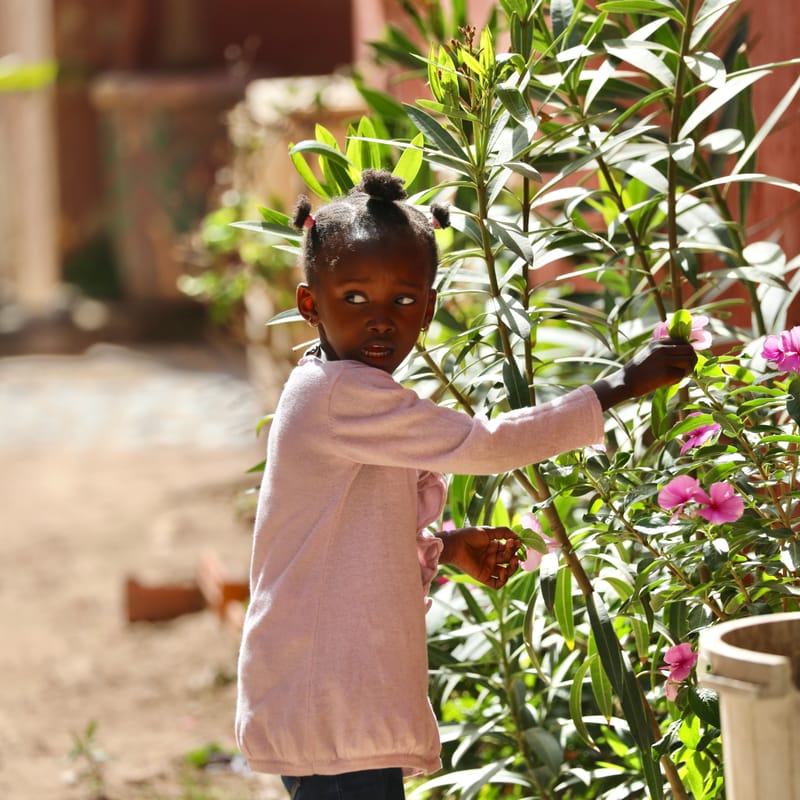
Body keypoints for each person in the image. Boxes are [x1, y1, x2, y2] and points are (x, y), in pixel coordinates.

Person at [234, 169, 697, 799]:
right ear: (309, 304)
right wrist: (620, 386)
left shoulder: (339, 388)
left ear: (428, 310)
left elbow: (346, 541)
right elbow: (486, 445)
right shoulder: (338, 396)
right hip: (330, 696)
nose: (380, 321)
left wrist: (446, 548)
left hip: (329, 694)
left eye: (403, 302)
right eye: (355, 298)